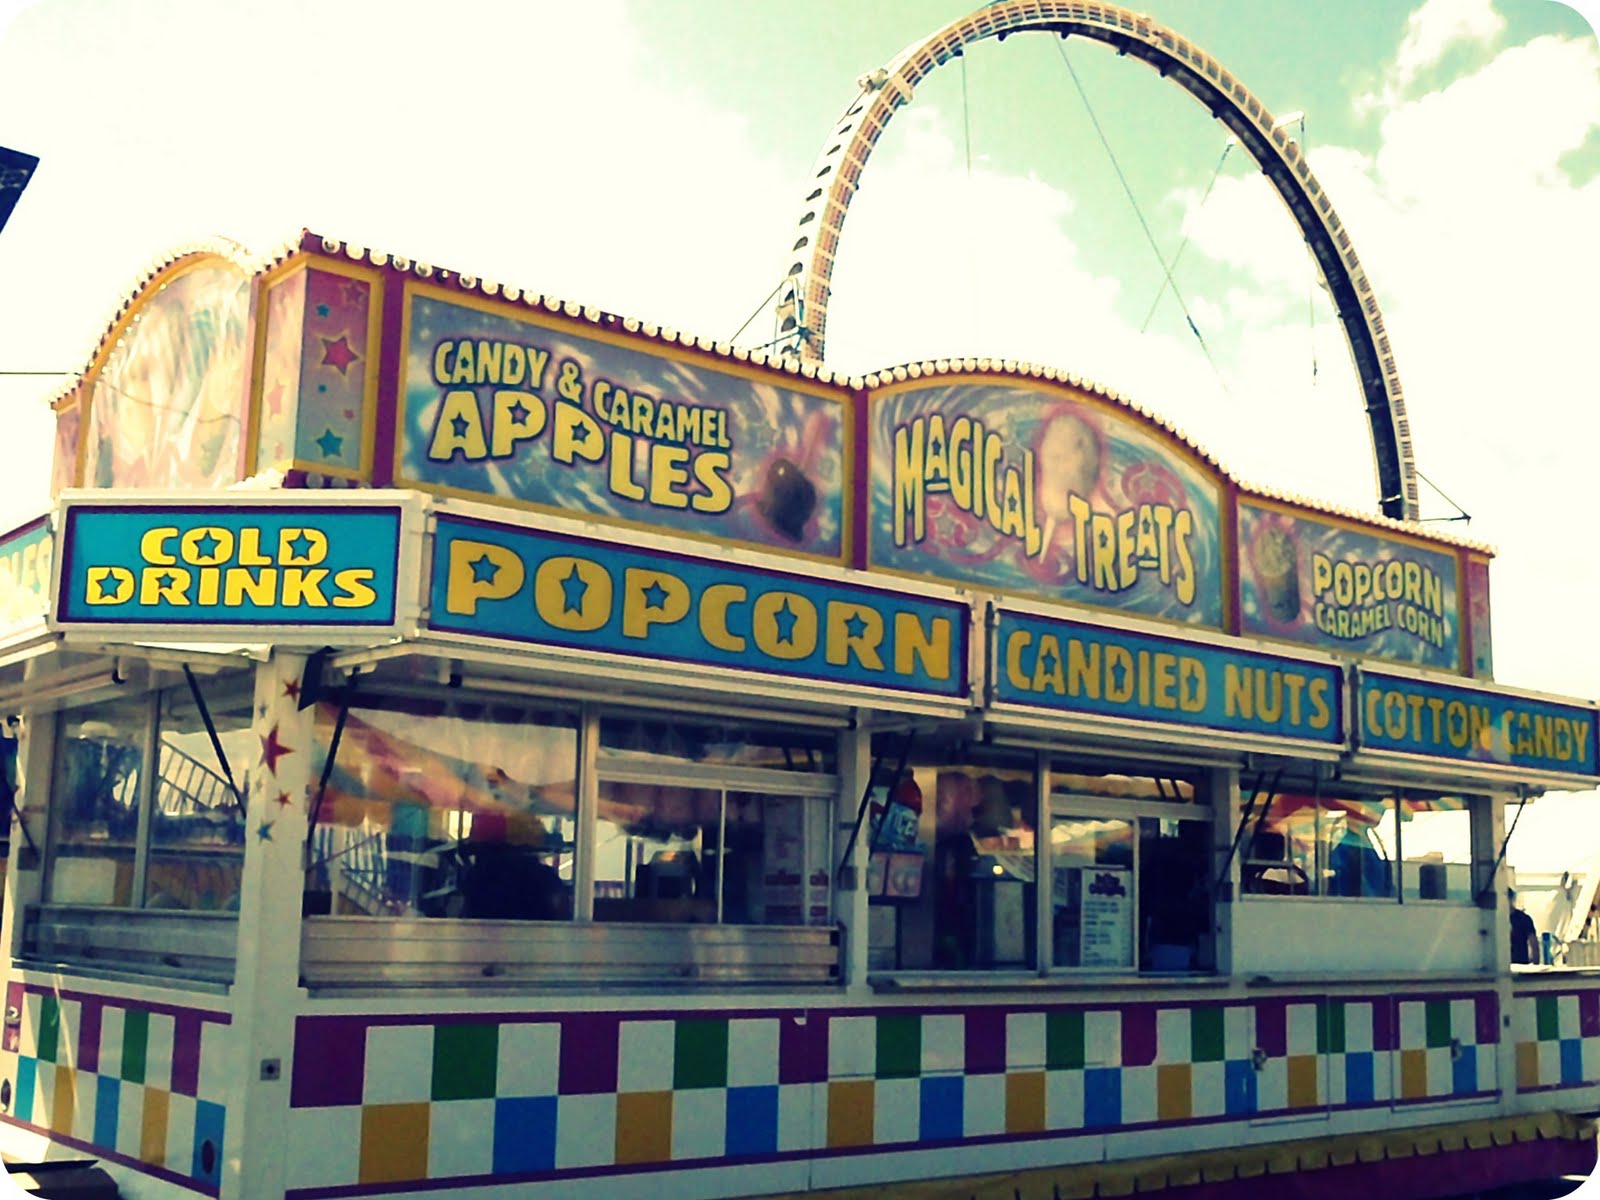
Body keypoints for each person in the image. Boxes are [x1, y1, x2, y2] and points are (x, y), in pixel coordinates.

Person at [1509, 890, 1540, 965]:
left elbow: (1533, 942)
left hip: (1521, 964)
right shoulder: (1496, 919)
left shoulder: (1523, 918)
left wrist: (1535, 964)